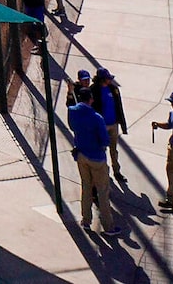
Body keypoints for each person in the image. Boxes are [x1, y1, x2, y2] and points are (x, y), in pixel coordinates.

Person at [68, 75, 113, 235]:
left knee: (86, 188)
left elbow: (73, 126)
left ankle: (86, 220)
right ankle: (108, 226)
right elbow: (105, 140)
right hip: (96, 158)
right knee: (102, 190)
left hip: (81, 155)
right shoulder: (96, 118)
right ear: (90, 99)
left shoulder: (72, 112)